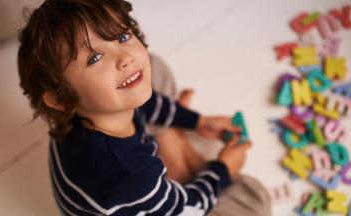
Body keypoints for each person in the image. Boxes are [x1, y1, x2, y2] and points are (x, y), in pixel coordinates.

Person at [17, 0, 271, 215]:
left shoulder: (84, 109)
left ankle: (170, 145)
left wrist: (197, 122)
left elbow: (144, 101)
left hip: (130, 181)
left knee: (152, 68)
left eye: (123, 36)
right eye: (94, 58)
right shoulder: (132, 173)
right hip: (141, 198)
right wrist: (224, 168)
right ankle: (180, 156)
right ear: (60, 100)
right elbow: (187, 209)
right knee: (254, 199)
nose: (124, 56)